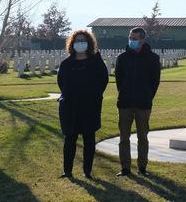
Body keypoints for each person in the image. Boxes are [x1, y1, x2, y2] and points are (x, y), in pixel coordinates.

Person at [57, 29, 109, 179]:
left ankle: (87, 171)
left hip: (89, 107)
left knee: (89, 139)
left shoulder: (96, 62)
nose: (80, 43)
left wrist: (94, 95)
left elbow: (103, 81)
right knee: (70, 140)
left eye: (83, 40)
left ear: (89, 43)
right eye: (77, 41)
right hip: (70, 107)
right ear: (72, 44)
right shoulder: (66, 64)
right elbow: (61, 83)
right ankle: (67, 171)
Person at [115, 26, 161, 176]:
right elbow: (119, 81)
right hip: (125, 103)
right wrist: (124, 94)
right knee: (124, 137)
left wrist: (147, 96)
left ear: (142, 40)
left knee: (143, 137)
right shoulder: (122, 58)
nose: (131, 41)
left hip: (143, 104)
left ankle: (142, 167)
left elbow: (155, 82)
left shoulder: (153, 58)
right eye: (130, 38)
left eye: (134, 38)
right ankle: (125, 168)